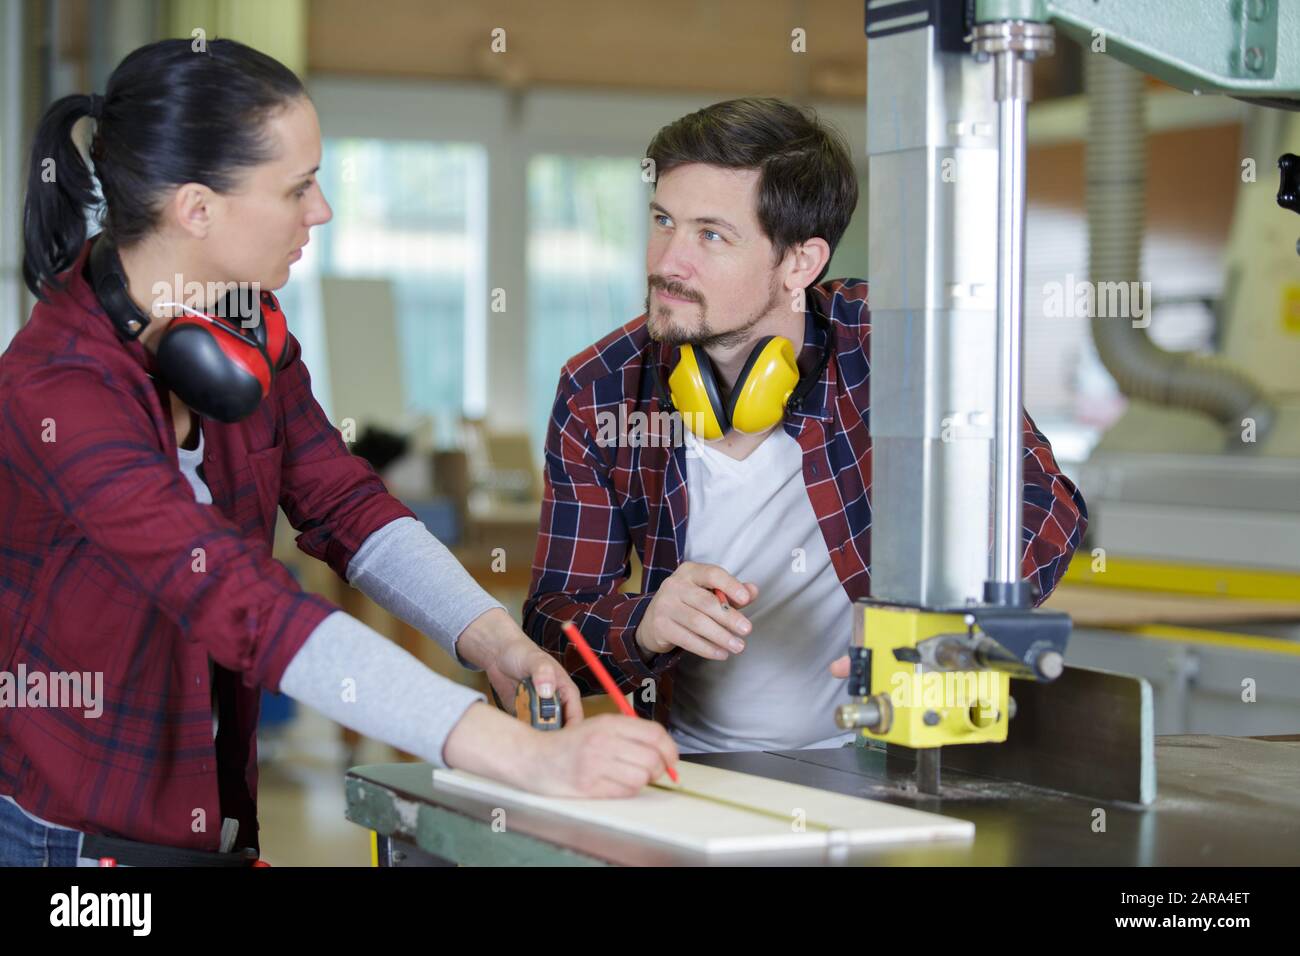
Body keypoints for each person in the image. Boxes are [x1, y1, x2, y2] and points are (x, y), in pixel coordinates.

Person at [0, 38, 676, 867]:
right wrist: (519, 755)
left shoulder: (246, 333)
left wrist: (496, 642)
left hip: (214, 815)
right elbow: (238, 600)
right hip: (74, 842)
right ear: (197, 208)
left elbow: (346, 506)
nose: (319, 211)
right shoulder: (56, 391)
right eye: (296, 187)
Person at [523, 97, 1088, 755]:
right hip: (695, 771)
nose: (668, 263)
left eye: (711, 234)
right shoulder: (601, 391)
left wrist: (953, 621)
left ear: (799, 264)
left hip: (894, 762)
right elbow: (553, 621)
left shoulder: (900, 345)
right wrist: (643, 621)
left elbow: (1049, 505)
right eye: (663, 221)